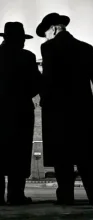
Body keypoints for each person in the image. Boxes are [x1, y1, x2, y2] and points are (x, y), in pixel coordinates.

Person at [36, 13, 93, 205]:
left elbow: (49, 76)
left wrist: (44, 99)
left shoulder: (48, 47)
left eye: (46, 33)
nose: (45, 37)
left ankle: (66, 196)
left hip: (59, 110)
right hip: (82, 109)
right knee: (85, 155)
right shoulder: (85, 48)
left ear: (53, 29)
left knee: (63, 157)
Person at [0, 22, 41, 205]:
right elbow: (36, 85)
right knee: (19, 152)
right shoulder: (27, 57)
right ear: (18, 40)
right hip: (20, 111)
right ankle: (16, 195)